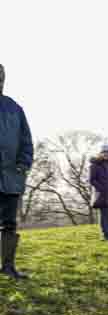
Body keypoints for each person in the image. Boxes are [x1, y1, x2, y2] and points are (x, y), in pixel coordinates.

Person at [0, 64, 34, 280]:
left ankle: (8, 266)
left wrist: (23, 164)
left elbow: (26, 141)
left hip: (11, 176)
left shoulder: (14, 108)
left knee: (10, 223)